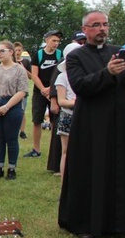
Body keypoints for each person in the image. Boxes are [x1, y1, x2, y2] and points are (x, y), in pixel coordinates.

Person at [59, 10, 125, 238]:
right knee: (93, 170)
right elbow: (80, 86)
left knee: (121, 169)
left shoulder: (118, 51)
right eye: (96, 25)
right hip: (92, 124)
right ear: (85, 30)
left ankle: (121, 224)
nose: (102, 29)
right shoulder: (76, 57)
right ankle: (89, 224)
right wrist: (107, 73)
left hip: (121, 122)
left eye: (105, 24)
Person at [0, 41, 28, 180]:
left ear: (11, 52)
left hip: (12, 104)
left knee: (11, 138)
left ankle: (12, 168)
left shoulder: (19, 70)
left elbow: (23, 90)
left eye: (2, 51)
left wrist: (7, 107)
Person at [26, 30, 63, 158]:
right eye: (54, 40)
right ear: (47, 40)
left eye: (58, 41)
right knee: (37, 120)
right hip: (39, 92)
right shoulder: (39, 55)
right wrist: (43, 89)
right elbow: (34, 75)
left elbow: (61, 74)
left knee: (55, 121)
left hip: (54, 92)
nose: (56, 43)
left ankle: (55, 150)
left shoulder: (60, 54)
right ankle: (36, 149)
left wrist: (51, 89)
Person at [54, 43, 80, 180]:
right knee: (66, 151)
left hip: (83, 116)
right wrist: (78, 102)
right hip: (68, 116)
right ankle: (65, 184)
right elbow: (62, 101)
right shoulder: (62, 77)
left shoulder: (85, 75)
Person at [13, 42, 32, 140]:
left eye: (19, 50)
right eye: (16, 50)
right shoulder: (10, 62)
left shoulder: (25, 62)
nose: (17, 52)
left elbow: (31, 76)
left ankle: (22, 131)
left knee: (22, 111)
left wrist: (23, 69)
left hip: (23, 90)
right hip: (12, 91)